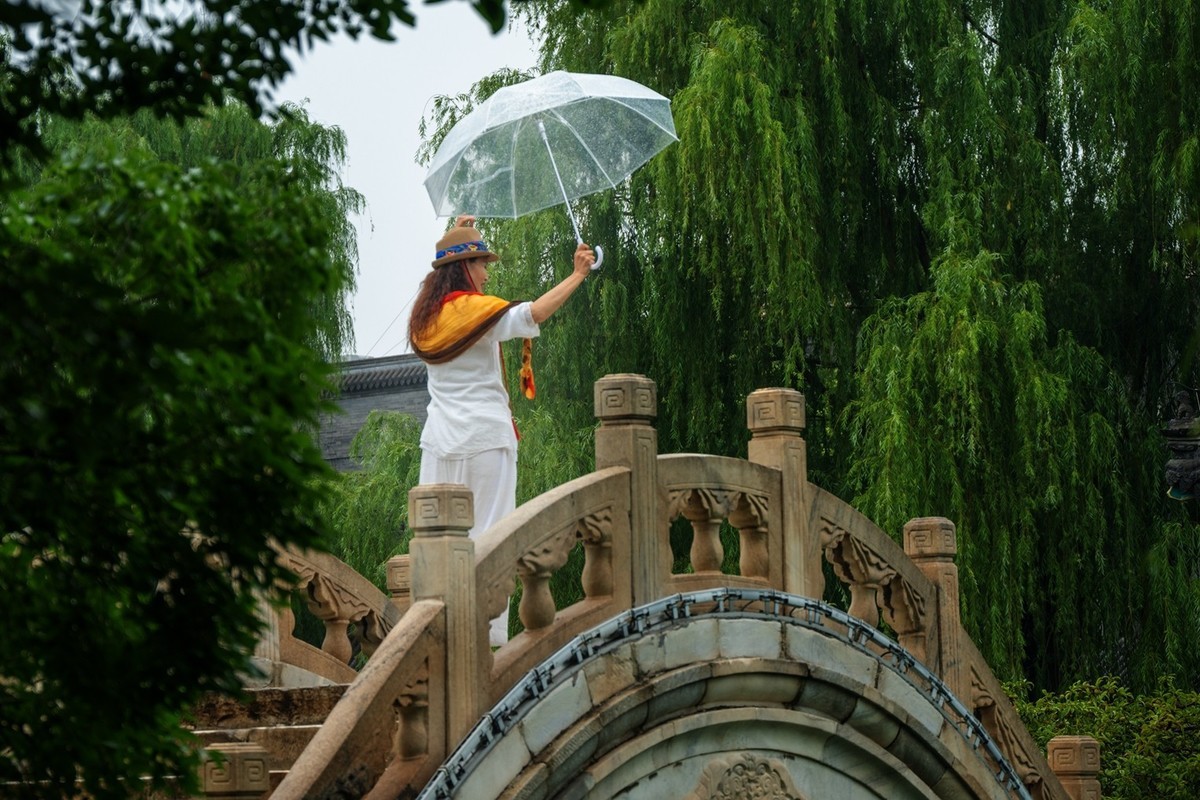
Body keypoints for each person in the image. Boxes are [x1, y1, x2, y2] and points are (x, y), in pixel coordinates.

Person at [408, 215, 594, 644]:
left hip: (438, 443)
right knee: (490, 539)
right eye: (481, 263)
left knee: (436, 546)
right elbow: (534, 313)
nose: (487, 273)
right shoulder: (477, 313)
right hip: (486, 440)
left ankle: (432, 637)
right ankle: (489, 641)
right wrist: (577, 274)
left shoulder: (425, 320)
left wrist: (457, 233)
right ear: (466, 268)